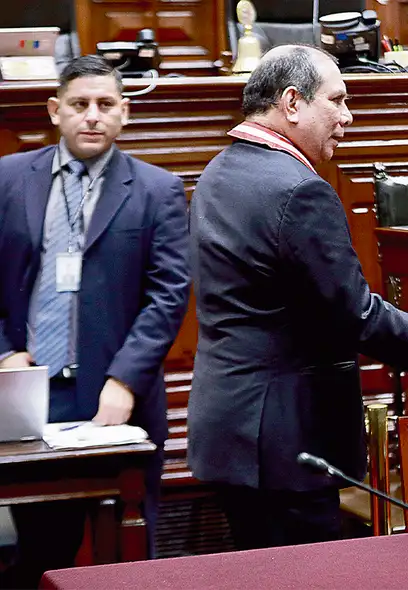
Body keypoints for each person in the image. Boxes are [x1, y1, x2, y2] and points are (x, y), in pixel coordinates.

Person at [187, 45, 408, 550]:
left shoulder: (219, 172)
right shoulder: (297, 190)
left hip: (232, 431)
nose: (347, 116)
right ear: (292, 103)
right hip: (288, 445)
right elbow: (354, 314)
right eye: (337, 100)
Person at [0, 55, 190, 586]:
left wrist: (124, 380)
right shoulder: (9, 178)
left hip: (119, 396)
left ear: (124, 112)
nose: (92, 116)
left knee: (128, 558)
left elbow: (169, 294)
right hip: (34, 392)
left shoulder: (157, 189)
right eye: (79, 104)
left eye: (105, 104)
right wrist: (5, 354)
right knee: (43, 555)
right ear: (54, 110)